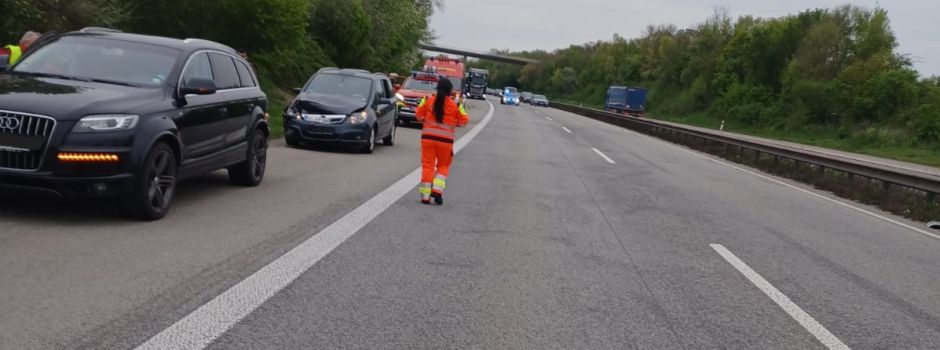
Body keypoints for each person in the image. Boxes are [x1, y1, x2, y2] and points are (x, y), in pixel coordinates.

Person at [414, 78, 470, 205]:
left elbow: (418, 115)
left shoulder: (428, 100)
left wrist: (427, 121)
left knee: (428, 166)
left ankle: (425, 197)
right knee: (443, 166)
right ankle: (437, 191)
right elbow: (464, 120)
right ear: (450, 91)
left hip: (427, 139)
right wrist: (453, 123)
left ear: (437, 89)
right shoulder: (456, 104)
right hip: (445, 141)